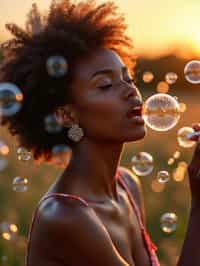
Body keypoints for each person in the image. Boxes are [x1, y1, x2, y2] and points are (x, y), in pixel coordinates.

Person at [0, 1, 199, 265]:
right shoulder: (65, 216)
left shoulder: (127, 186)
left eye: (128, 78)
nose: (131, 91)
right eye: (105, 84)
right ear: (67, 114)